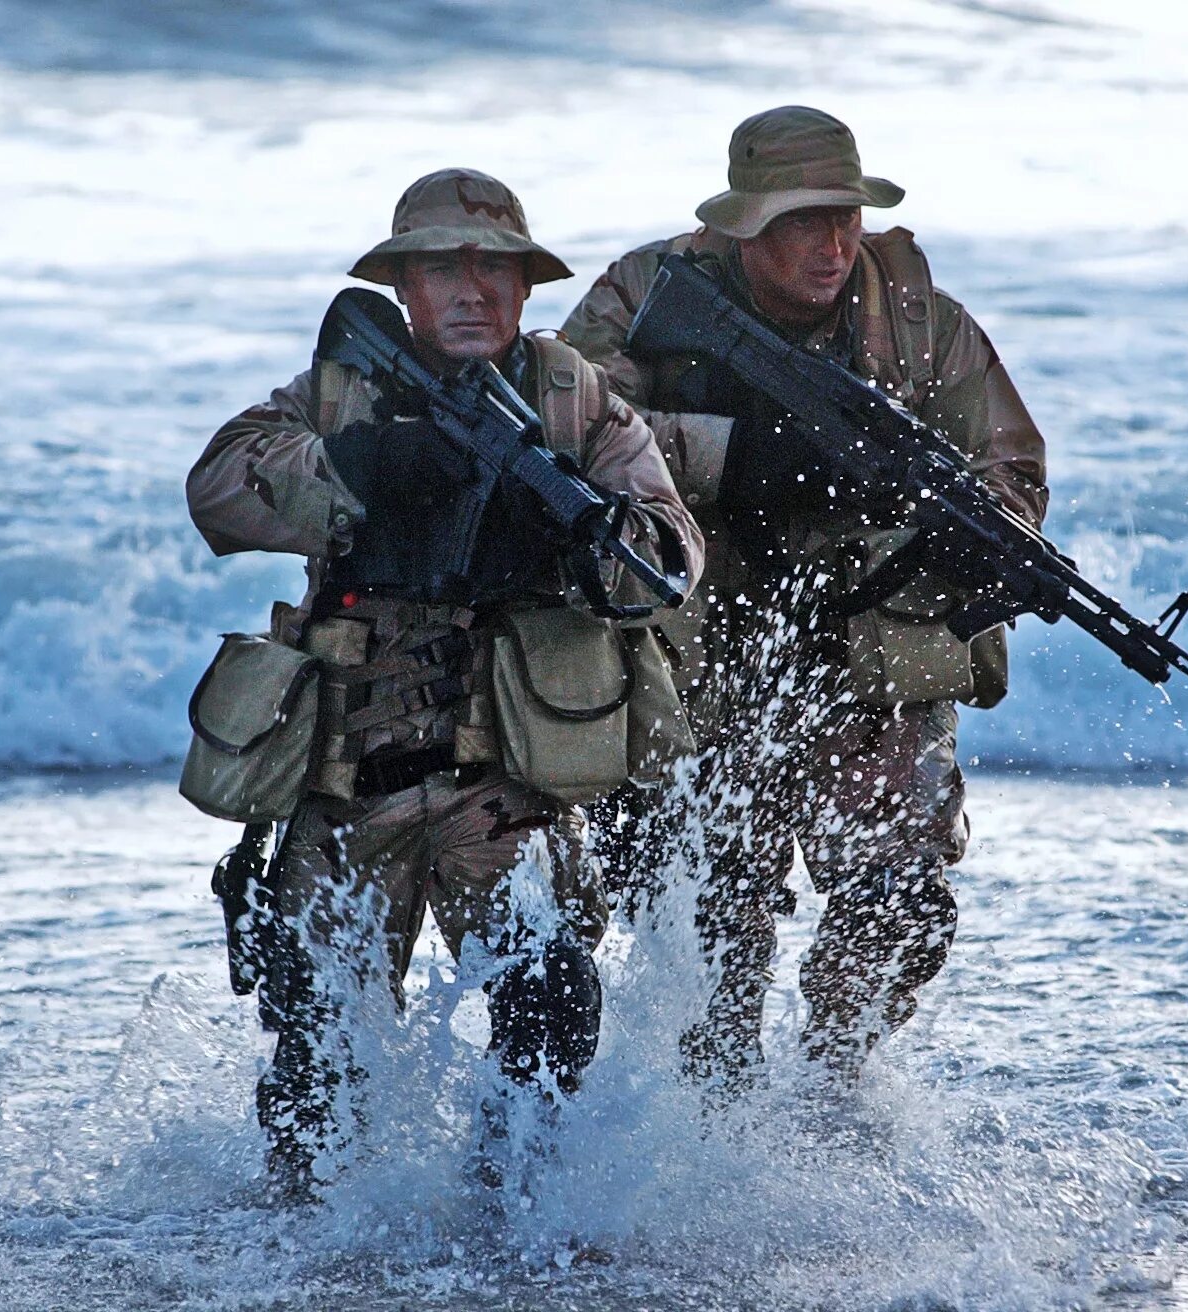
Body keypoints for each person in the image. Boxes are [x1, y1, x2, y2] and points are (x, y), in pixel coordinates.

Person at [186, 167, 702, 1199]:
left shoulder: (573, 402)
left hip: (500, 790)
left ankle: (515, 1223)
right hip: (350, 785)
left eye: (493, 268)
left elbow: (669, 560)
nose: (471, 289)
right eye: (441, 268)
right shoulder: (340, 394)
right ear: (405, 289)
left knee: (547, 1017)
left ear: (523, 286)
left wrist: (574, 536)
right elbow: (219, 490)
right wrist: (365, 468)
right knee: (313, 1061)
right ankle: (320, 1242)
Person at [562, 106, 1049, 1089]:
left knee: (901, 904)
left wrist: (919, 532)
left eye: (844, 217)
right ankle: (713, 1142)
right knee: (712, 930)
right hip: (707, 651)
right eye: (801, 222)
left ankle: (830, 1092)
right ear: (744, 226)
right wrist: (736, 456)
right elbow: (559, 419)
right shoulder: (648, 295)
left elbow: (1012, 479)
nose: (832, 245)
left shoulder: (917, 322)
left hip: (861, 654)